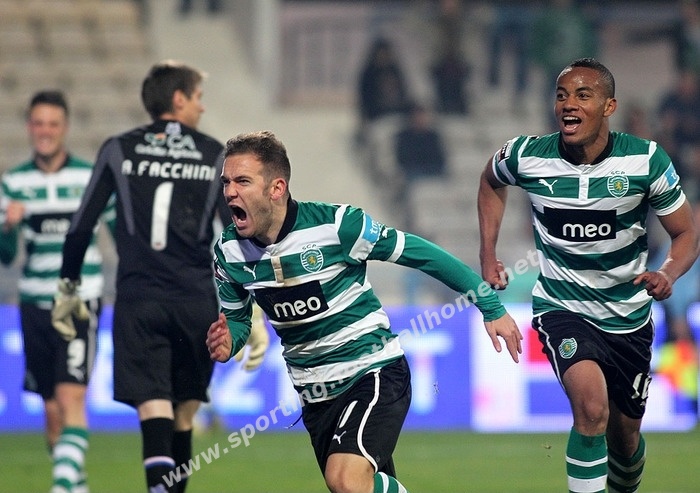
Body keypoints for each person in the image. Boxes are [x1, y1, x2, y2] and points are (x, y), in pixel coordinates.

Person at [205, 130, 523, 493]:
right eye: (226, 182)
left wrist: (488, 304)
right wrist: (228, 342)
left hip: (372, 372)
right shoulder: (229, 252)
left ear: (276, 188)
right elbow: (237, 320)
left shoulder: (337, 226)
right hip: (315, 394)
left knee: (346, 480)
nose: (229, 192)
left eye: (242, 181)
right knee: (357, 486)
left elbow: (420, 254)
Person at [478, 58, 700, 493]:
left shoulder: (645, 159)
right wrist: (488, 253)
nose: (569, 104)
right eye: (562, 95)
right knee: (591, 409)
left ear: (609, 106)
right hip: (563, 308)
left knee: (625, 441)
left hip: (628, 317)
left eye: (583, 95)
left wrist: (668, 273)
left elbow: (686, 233)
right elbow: (490, 181)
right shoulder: (526, 154)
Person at [51, 61, 269, 493]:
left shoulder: (118, 148)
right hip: (196, 302)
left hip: (139, 300)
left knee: (154, 411)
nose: (202, 107)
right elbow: (238, 234)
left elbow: (80, 227)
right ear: (178, 99)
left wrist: (67, 287)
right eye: (198, 98)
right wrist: (253, 309)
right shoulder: (214, 155)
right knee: (184, 417)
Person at [0, 90, 114, 493]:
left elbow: (121, 232)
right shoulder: (13, 183)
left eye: (52, 123)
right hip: (33, 302)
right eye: (38, 123)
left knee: (71, 400)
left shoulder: (89, 178)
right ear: (29, 127)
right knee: (52, 414)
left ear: (64, 128)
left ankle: (61, 487)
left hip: (78, 300)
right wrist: (7, 226)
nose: (45, 131)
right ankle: (75, 485)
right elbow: (6, 256)